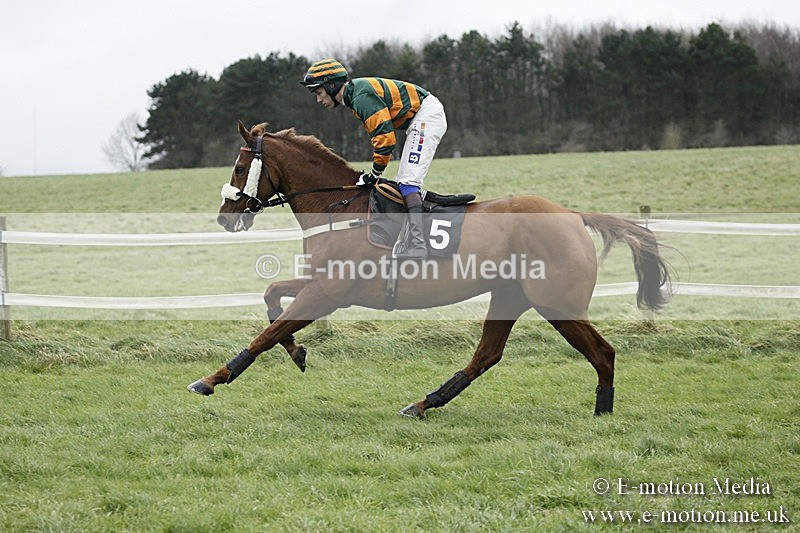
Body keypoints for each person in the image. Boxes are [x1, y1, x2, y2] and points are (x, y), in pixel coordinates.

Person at [300, 58, 447, 260]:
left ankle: (417, 244)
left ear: (331, 85)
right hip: (422, 115)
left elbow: (385, 140)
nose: (319, 100)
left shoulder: (361, 97)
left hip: (426, 115)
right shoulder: (355, 95)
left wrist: (374, 174)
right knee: (405, 181)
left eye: (319, 93)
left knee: (408, 182)